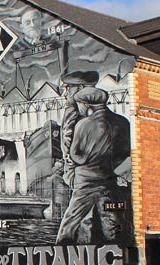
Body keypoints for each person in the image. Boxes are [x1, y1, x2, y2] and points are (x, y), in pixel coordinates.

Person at [55, 87, 130, 244]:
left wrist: (72, 159)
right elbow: (126, 153)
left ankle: (60, 251)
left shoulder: (83, 125)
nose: (79, 108)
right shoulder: (123, 122)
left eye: (80, 104)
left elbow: (76, 155)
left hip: (86, 181)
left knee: (70, 222)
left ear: (87, 104)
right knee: (112, 222)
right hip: (110, 180)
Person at [59, 70, 100, 187]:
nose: (65, 94)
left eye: (68, 89)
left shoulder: (84, 114)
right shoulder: (74, 111)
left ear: (79, 88)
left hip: (83, 175)